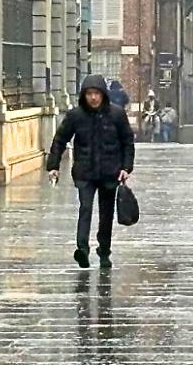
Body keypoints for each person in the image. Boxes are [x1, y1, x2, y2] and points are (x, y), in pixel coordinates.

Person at [46, 75, 136, 269]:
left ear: (103, 94)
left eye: (96, 94)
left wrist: (126, 167)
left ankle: (104, 251)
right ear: (84, 95)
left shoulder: (117, 114)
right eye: (89, 94)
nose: (93, 98)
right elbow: (60, 139)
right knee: (85, 208)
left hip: (110, 172)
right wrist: (53, 165)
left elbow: (127, 141)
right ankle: (82, 249)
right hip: (85, 172)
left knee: (106, 214)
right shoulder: (76, 116)